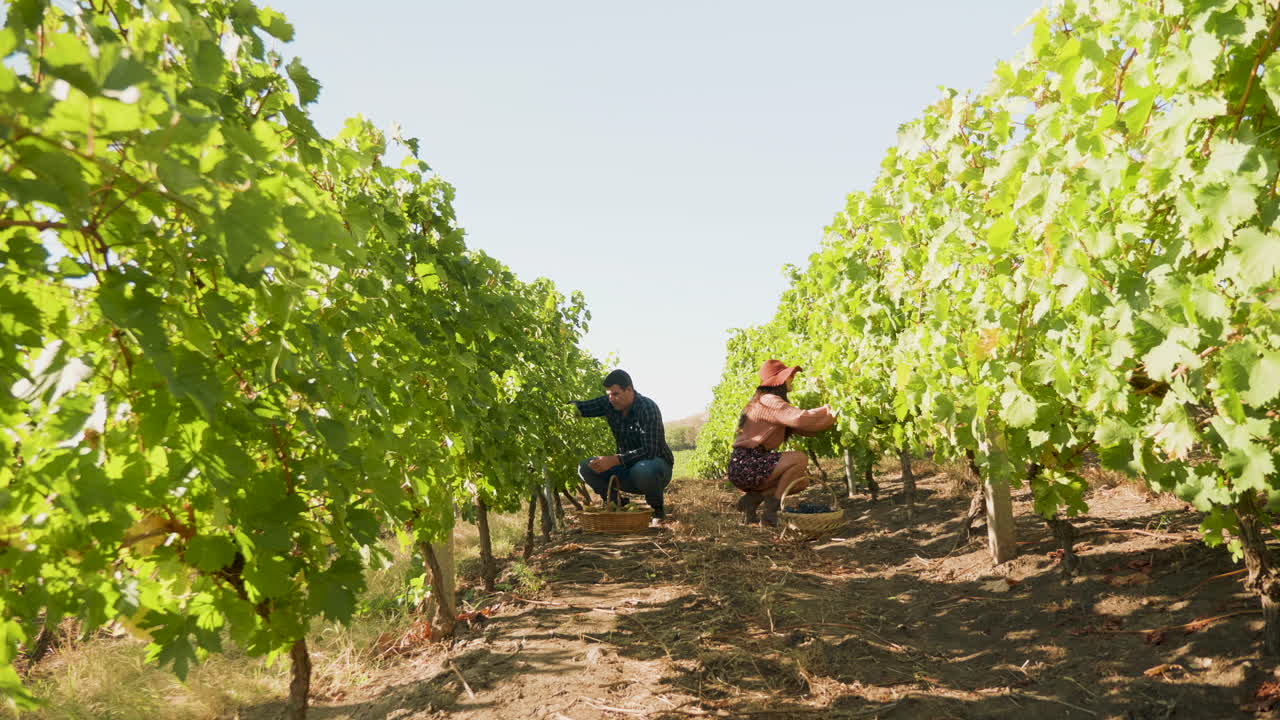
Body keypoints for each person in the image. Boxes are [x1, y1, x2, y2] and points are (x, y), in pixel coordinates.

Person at [727, 359, 836, 526]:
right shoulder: (769, 400)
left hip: (746, 465)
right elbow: (800, 418)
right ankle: (772, 512)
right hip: (747, 464)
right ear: (779, 381)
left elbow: (804, 429)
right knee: (799, 458)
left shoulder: (765, 401)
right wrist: (832, 409)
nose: (792, 379)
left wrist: (829, 422)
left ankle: (752, 500)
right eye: (789, 376)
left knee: (801, 482)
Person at [570, 369, 675, 521]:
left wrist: (614, 460)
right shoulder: (609, 404)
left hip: (656, 469)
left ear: (629, 390)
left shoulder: (647, 408)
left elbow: (650, 451)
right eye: (609, 394)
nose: (611, 398)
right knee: (585, 467)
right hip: (628, 470)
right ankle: (616, 504)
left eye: (615, 394)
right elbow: (581, 407)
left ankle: (656, 510)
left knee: (643, 469)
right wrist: (561, 407)